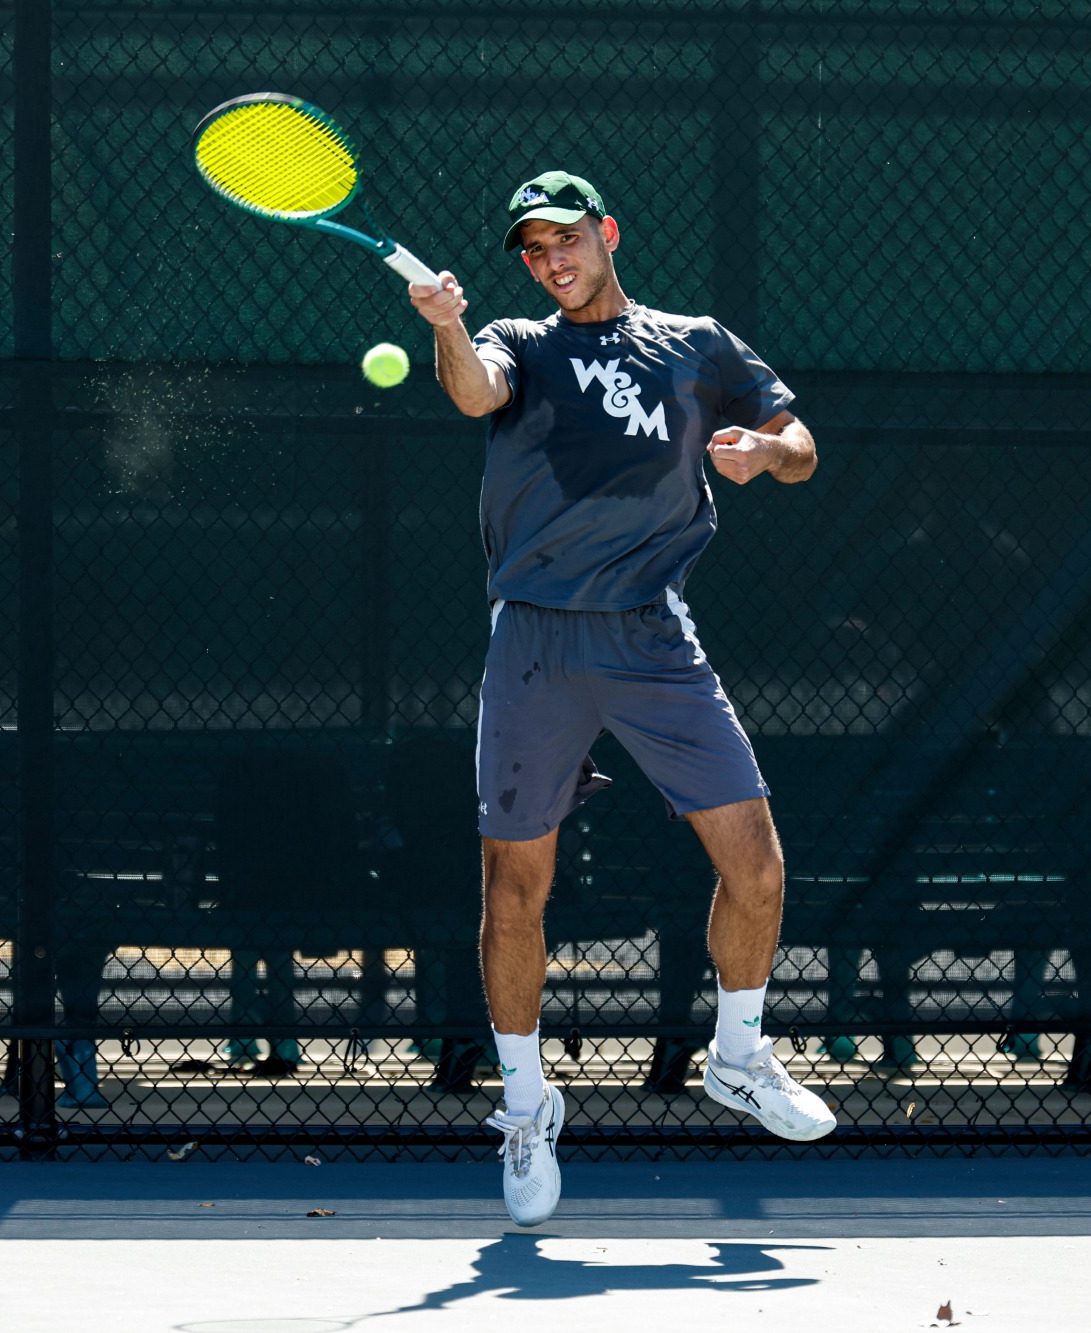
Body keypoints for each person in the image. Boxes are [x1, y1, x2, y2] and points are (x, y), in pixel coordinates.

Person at [406, 171, 838, 1227]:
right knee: (514, 889)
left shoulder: (695, 345)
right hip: (536, 642)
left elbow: (802, 448)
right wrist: (445, 327)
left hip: (652, 633)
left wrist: (761, 451)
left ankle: (737, 1055)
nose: (552, 259)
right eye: (532, 247)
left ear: (607, 234)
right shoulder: (519, 339)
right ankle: (522, 1105)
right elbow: (472, 391)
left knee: (756, 860)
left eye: (566, 239)